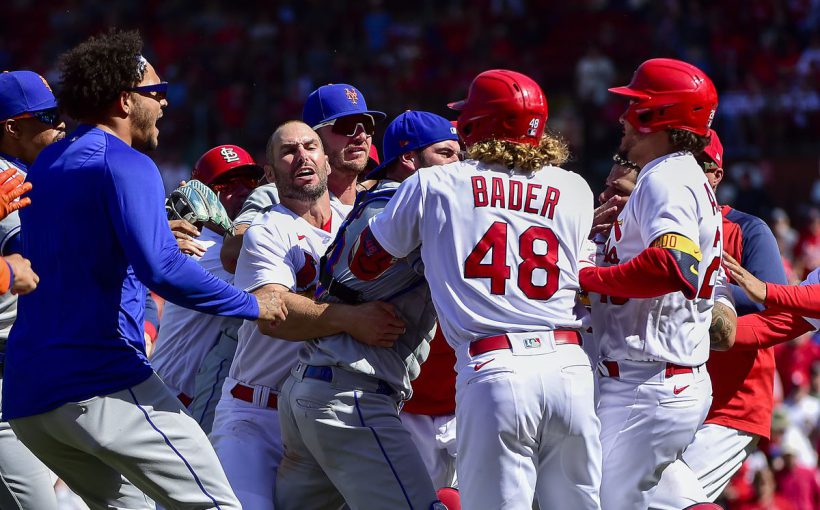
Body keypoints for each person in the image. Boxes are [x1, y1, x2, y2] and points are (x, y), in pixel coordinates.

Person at [1, 31, 286, 510]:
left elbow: (74, 253)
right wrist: (254, 304)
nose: (166, 104)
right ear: (124, 100)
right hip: (99, 379)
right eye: (157, 92)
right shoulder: (124, 162)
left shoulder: (49, 160)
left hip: (30, 397)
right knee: (217, 505)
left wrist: (144, 231)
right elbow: (164, 270)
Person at [351, 69, 602, 509]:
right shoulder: (575, 187)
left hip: (496, 368)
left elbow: (365, 263)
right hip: (571, 368)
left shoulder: (433, 182)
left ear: (473, 125)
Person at [209, 120, 404, 510]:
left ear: (327, 163)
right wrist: (351, 319)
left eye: (310, 147)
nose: (301, 155)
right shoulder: (269, 229)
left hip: (330, 410)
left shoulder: (365, 224)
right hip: (257, 414)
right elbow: (273, 313)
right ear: (270, 174)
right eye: (288, 151)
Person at [275, 110, 460, 509]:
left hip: (313, 387)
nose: (458, 166)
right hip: (351, 395)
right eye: (447, 153)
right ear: (409, 159)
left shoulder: (374, 201)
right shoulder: (410, 209)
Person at [578, 58, 722, 510]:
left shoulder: (668, 177)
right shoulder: (678, 174)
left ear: (657, 116)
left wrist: (588, 278)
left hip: (648, 382)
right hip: (660, 378)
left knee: (598, 502)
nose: (623, 116)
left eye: (634, 104)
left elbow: (669, 264)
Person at [651, 129, 789, 508]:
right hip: (663, 399)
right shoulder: (653, 226)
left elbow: (772, 301)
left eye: (698, 163)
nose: (686, 172)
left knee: (669, 503)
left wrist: (692, 292)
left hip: (731, 406)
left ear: (716, 175)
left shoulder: (746, 229)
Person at [151, 144, 262, 433]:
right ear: (203, 195)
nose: (242, 191)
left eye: (249, 181)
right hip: (168, 403)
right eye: (226, 184)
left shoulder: (230, 243)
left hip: (190, 399)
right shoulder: (203, 248)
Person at [217, 86, 383, 274]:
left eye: (367, 126)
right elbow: (231, 251)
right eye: (346, 126)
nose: (361, 136)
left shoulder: (377, 198)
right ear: (314, 136)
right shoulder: (274, 193)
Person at [0, 69, 65, 510]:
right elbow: (41, 266)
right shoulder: (7, 176)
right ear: (12, 127)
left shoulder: (28, 172)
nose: (61, 123)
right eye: (47, 115)